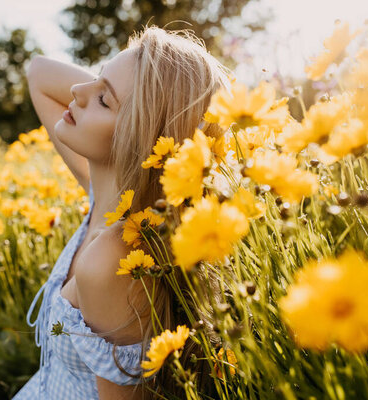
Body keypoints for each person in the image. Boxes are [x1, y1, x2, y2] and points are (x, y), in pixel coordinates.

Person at [12, 25, 231, 400]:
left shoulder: (113, 258)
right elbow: (38, 72)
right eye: (94, 78)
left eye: (103, 100)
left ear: (139, 135)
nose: (76, 93)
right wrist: (126, 84)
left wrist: (138, 97)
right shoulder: (102, 195)